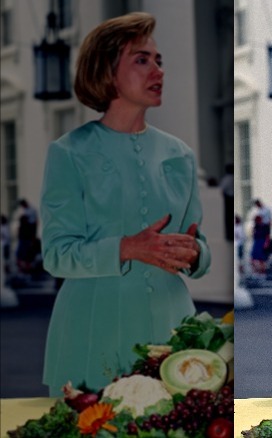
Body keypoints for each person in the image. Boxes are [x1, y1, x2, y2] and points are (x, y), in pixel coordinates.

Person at [39, 12, 210, 395]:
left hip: (173, 330)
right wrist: (129, 247)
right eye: (141, 59)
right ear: (107, 70)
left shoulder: (180, 155)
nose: (158, 71)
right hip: (92, 332)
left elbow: (201, 250)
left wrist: (194, 253)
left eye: (159, 60)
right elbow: (55, 254)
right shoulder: (68, 153)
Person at [219, 164, 234, 241]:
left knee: (228, 218)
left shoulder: (226, 179)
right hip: (232, 198)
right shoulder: (232, 178)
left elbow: (221, 189)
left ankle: (229, 234)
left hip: (228, 200)